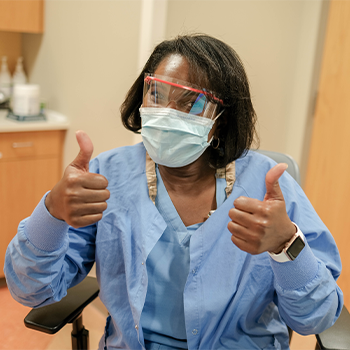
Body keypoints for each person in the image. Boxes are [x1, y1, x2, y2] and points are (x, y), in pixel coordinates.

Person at [4, 34, 343, 350]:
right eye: (157, 94)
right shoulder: (107, 176)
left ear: (221, 119)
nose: (166, 113)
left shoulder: (267, 188)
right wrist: (51, 212)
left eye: (191, 102)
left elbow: (317, 316)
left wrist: (287, 246)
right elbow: (32, 290)